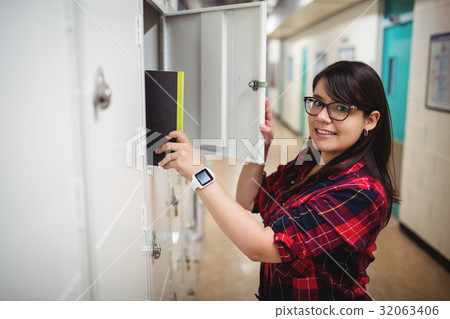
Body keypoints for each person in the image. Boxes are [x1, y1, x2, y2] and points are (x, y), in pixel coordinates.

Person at [155, 61, 399, 301]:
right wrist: (261, 146)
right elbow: (248, 199)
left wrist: (199, 174)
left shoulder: (363, 193)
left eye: (341, 108)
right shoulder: (312, 155)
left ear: (370, 120)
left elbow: (261, 246)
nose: (322, 117)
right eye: (317, 103)